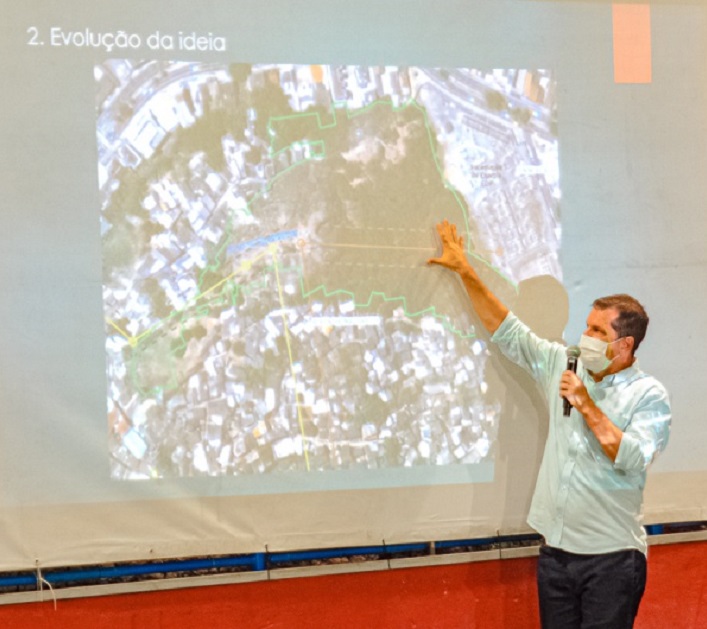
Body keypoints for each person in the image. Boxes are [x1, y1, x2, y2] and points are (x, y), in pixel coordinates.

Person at [428, 220, 671, 628]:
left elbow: (631, 456)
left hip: (612, 559)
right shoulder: (564, 361)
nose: (585, 335)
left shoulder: (649, 395)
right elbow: (507, 330)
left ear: (624, 344)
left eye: (597, 330)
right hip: (556, 555)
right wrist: (465, 271)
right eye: (587, 325)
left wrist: (585, 403)